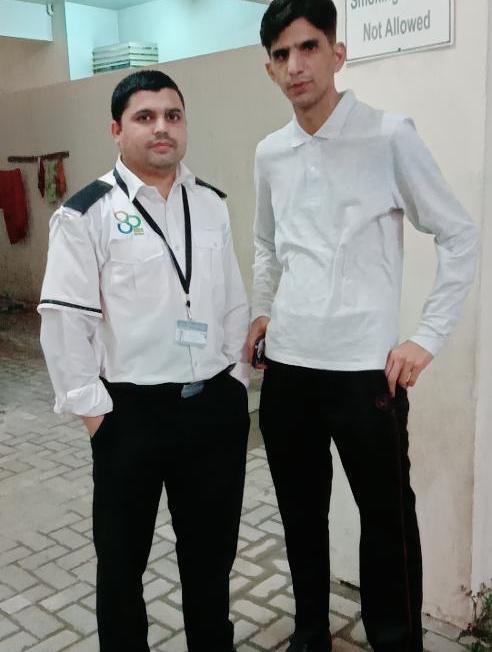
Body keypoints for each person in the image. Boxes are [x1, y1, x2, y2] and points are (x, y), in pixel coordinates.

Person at [248, 1, 478, 651]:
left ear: (337, 54)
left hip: (364, 374)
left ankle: (395, 642)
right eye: (282, 54)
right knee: (300, 515)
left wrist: (426, 337)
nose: (296, 65)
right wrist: (263, 309)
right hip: (289, 369)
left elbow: (459, 234)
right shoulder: (271, 153)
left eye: (309, 47)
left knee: (386, 522)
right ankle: (311, 631)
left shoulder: (388, 135)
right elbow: (266, 243)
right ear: (270, 69)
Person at [38, 69, 250, 652]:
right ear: (117, 130)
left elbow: (232, 300)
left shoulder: (210, 203)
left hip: (211, 412)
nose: (162, 128)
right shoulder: (86, 214)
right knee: (121, 565)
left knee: (210, 560)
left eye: (172, 116)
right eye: (145, 117)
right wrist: (95, 415)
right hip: (129, 416)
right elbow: (65, 323)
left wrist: (234, 381)